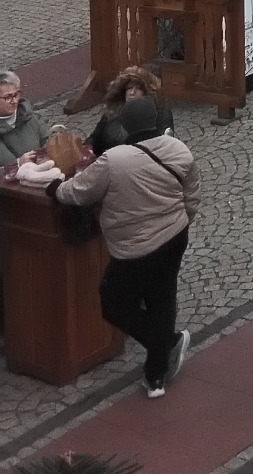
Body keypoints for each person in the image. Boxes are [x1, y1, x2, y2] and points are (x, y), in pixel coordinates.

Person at [54, 94, 199, 398]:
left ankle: (167, 344)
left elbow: (79, 191)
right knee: (161, 299)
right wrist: (182, 220)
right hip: (175, 236)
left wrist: (56, 189)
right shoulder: (178, 148)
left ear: (127, 126)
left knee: (113, 303)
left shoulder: (115, 159)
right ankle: (155, 376)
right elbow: (191, 194)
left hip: (136, 248)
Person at [87, 66, 173, 156]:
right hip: (107, 160)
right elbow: (95, 138)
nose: (132, 92)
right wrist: (88, 149)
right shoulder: (113, 109)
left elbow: (164, 149)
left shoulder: (161, 113)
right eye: (129, 88)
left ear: (147, 92)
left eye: (138, 89)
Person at [0, 69, 44, 161]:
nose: (14, 101)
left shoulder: (27, 114)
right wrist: (19, 163)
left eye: (16, 95)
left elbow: (46, 138)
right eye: (8, 97)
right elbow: (5, 162)